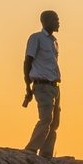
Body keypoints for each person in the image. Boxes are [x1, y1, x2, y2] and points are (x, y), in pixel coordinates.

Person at [20, 10, 61, 156]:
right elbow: (28, 61)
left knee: (54, 122)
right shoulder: (36, 38)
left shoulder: (54, 41)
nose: (58, 22)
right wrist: (27, 85)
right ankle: (31, 149)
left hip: (54, 85)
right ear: (46, 21)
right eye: (55, 19)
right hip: (42, 84)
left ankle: (46, 153)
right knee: (46, 118)